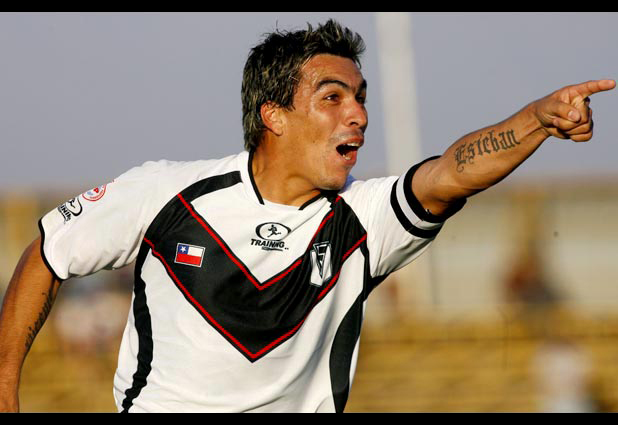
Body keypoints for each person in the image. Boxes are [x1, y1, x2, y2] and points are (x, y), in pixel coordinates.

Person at [0, 19, 614, 413]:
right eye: (333, 98)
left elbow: (452, 172)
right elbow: (48, 254)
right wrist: (5, 388)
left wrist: (536, 120)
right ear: (273, 115)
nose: (359, 115)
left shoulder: (360, 218)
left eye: (361, 99)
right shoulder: (166, 192)